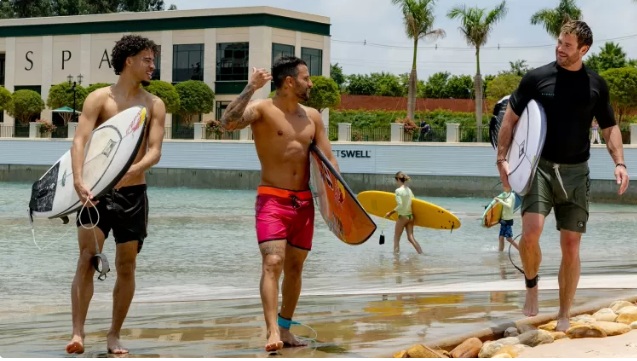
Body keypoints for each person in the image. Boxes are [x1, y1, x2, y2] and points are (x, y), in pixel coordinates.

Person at [496, 20, 629, 332]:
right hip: (540, 166)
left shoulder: (595, 84)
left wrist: (619, 162)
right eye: (559, 42)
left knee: (571, 245)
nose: (560, 48)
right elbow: (511, 119)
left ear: (583, 49)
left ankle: (564, 313)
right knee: (530, 233)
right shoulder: (536, 78)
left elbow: (609, 127)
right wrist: (502, 159)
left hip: (576, 172)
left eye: (568, 46)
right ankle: (531, 285)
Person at [220, 56, 339, 352]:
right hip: (272, 199)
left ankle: (285, 328)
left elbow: (329, 161)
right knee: (273, 263)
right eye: (306, 78)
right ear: (289, 82)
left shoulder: (312, 116)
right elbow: (227, 123)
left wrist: (342, 202)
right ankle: (271, 330)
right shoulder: (262, 110)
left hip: (304, 203)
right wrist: (251, 87)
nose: (310, 83)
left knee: (296, 268)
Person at [66, 35, 166, 355]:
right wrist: (79, 181)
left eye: (153, 60)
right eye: (147, 60)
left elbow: (154, 152)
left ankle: (114, 334)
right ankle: (78, 333)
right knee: (87, 259)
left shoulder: (154, 104)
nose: (153, 65)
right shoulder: (99, 99)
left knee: (126, 265)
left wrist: (131, 171)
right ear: (129, 61)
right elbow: (80, 141)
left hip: (133, 194)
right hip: (94, 192)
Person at [385, 172, 423, 255]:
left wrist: (390, 213)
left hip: (403, 217)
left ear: (398, 179)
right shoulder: (409, 190)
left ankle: (396, 258)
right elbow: (414, 202)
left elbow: (400, 205)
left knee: (396, 238)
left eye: (396, 180)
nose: (396, 182)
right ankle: (421, 253)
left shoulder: (398, 191)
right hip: (410, 217)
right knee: (411, 238)